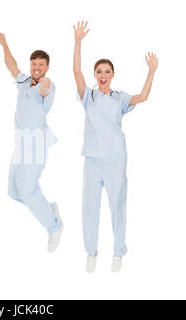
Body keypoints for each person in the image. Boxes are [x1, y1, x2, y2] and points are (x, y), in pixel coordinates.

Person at [73, 21, 158, 273]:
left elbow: (142, 97)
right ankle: (91, 252)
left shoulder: (119, 98)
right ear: (95, 75)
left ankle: (118, 251)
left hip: (115, 159)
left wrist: (151, 71)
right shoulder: (87, 96)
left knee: (117, 205)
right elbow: (76, 71)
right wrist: (78, 42)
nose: (102, 75)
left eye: (106, 71)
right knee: (89, 206)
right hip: (92, 159)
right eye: (98, 71)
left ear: (112, 74)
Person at [0, 32, 63, 252]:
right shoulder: (25, 81)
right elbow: (11, 65)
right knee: (14, 190)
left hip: (36, 145)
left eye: (41, 64)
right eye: (34, 63)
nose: (36, 67)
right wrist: (5, 43)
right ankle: (49, 209)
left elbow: (44, 87)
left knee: (27, 190)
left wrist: (43, 81)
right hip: (20, 144)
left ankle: (54, 226)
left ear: (47, 67)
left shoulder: (47, 85)